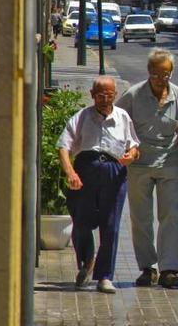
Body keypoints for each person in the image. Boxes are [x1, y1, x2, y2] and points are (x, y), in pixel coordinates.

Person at [57, 76, 140, 294]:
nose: (105, 99)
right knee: (82, 223)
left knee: (110, 226)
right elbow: (63, 146)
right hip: (86, 171)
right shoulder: (82, 117)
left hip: (114, 173)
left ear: (115, 95)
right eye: (100, 95)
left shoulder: (123, 117)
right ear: (92, 95)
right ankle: (86, 262)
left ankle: (105, 276)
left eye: (109, 95)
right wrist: (71, 172)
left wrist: (131, 155)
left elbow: (134, 146)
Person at [116, 49, 178, 289]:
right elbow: (117, 123)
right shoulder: (133, 95)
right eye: (156, 74)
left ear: (171, 73)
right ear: (149, 73)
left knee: (171, 216)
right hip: (139, 165)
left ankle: (169, 268)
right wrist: (125, 152)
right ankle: (148, 268)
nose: (161, 79)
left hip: (169, 163)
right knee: (141, 218)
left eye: (166, 74)